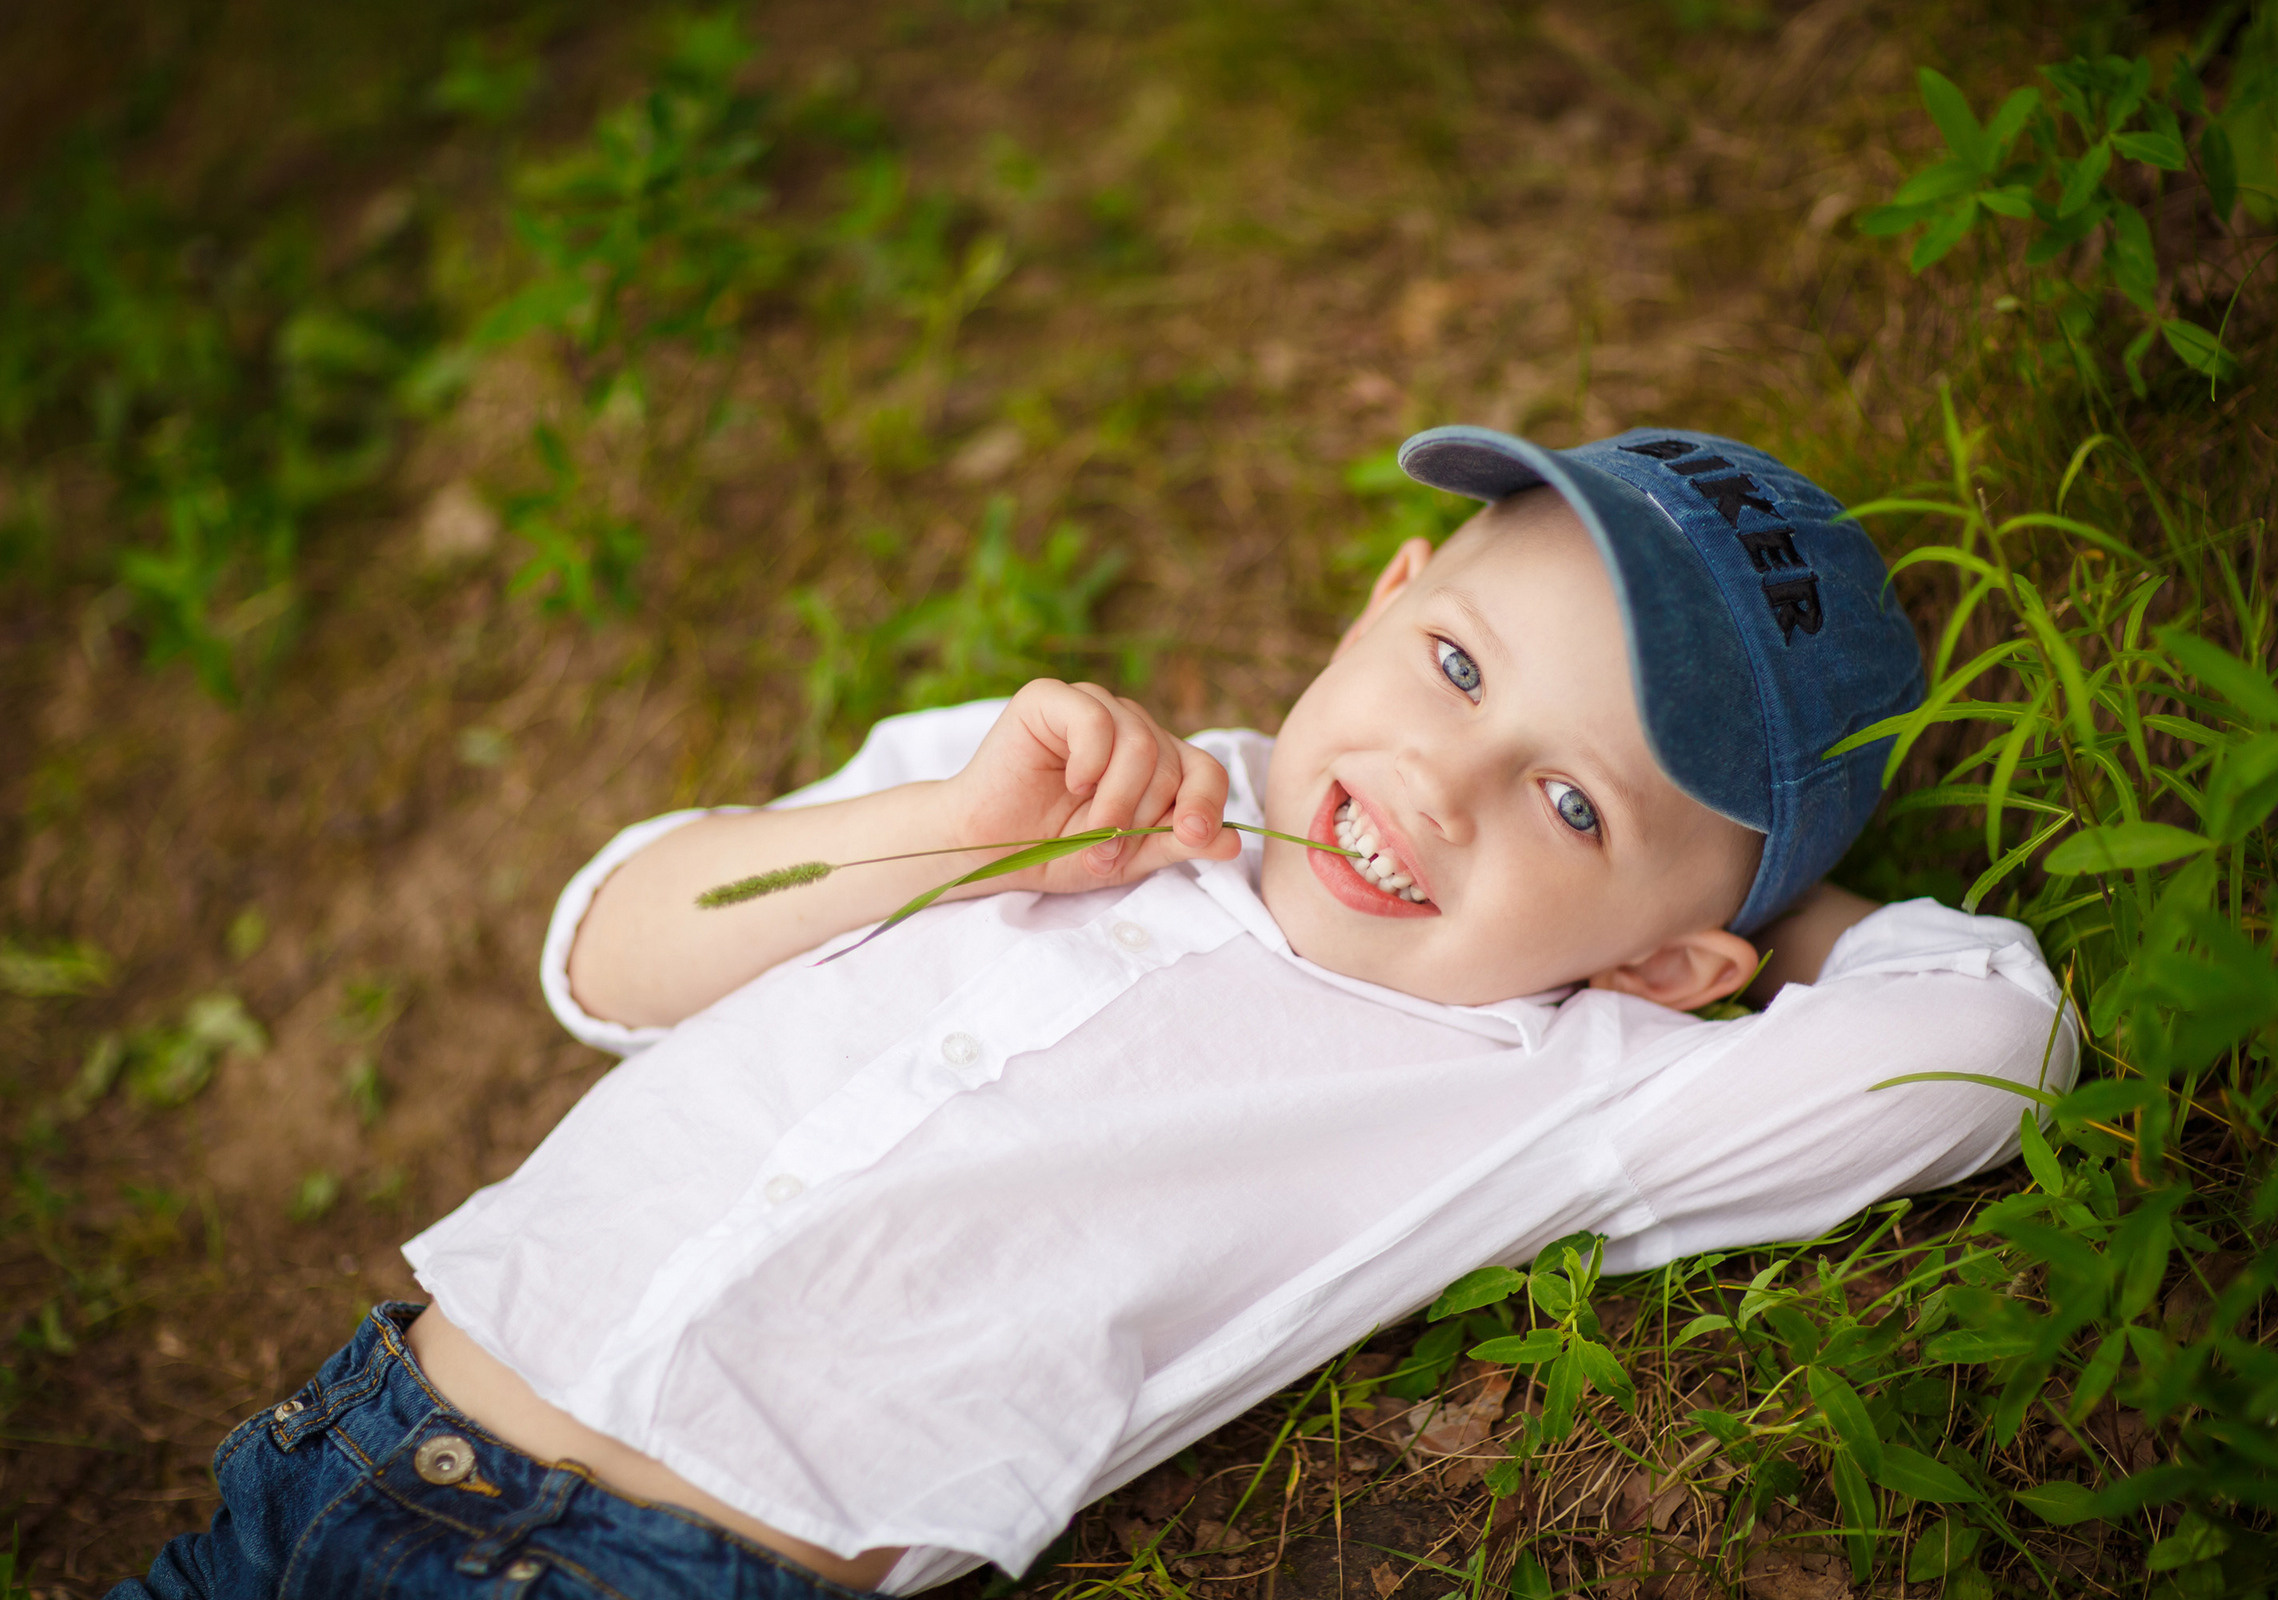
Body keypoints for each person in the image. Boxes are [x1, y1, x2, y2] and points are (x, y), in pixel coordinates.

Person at [116, 426, 2075, 1599]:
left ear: (1662, 958)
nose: (1442, 785)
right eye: (1456, 664)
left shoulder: (1545, 1079)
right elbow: (609, 948)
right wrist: (933, 832)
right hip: (341, 1432)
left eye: (1575, 805)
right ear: (1380, 598)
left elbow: (1978, 1041)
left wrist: (1752, 914)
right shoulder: (1047, 770)